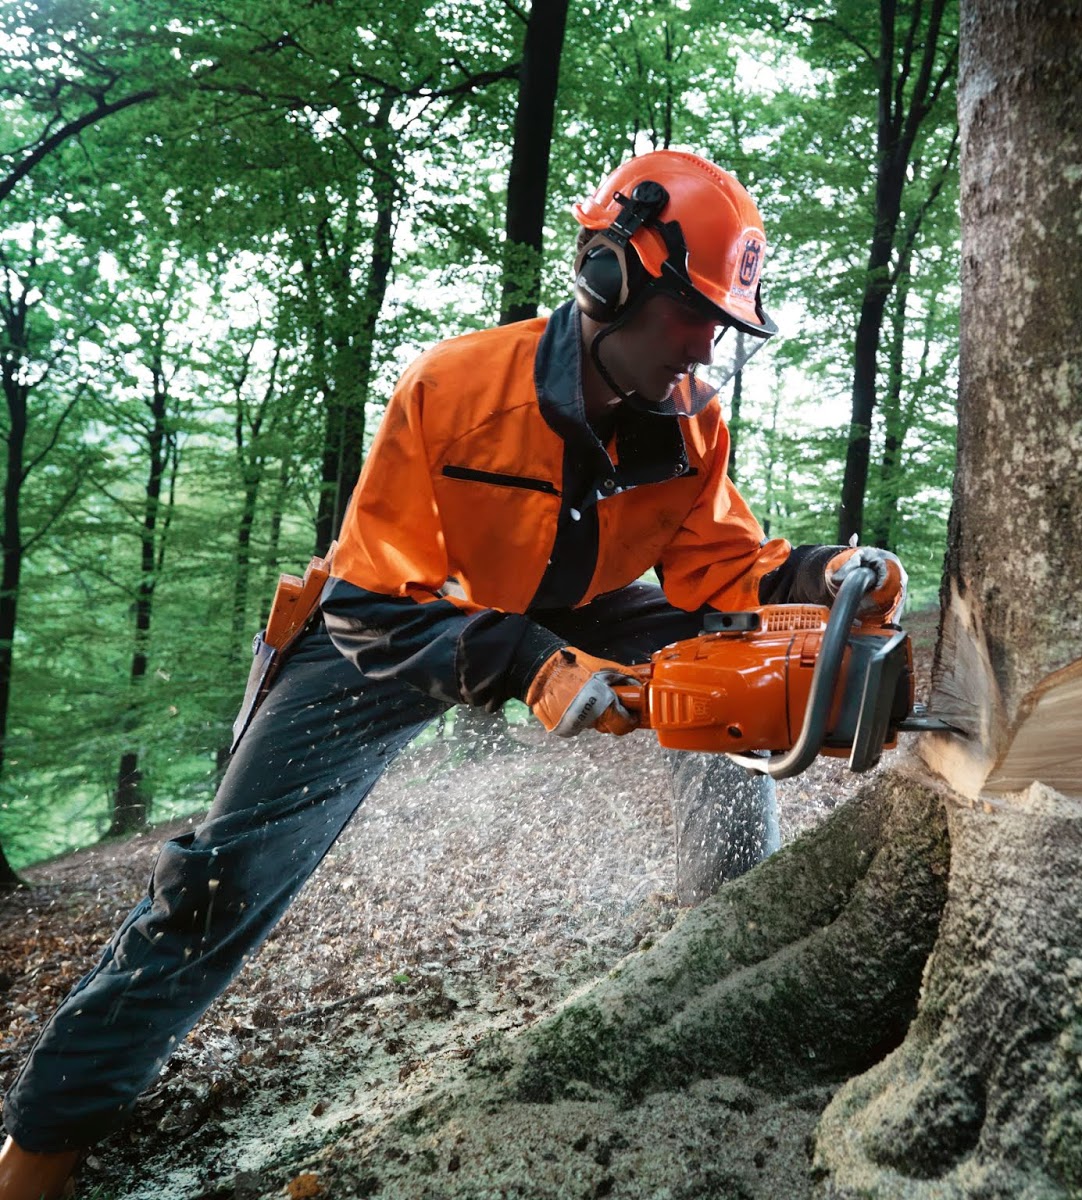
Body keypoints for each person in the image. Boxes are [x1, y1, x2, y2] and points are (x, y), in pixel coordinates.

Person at [0, 149, 904, 1197]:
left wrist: (820, 574)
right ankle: (43, 1139)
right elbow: (379, 598)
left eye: (719, 326)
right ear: (611, 279)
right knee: (218, 879)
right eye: (692, 316)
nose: (706, 347)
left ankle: (730, 934)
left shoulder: (690, 418)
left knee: (736, 674)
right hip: (388, 625)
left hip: (575, 597)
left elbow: (716, 564)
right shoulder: (458, 389)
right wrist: (527, 662)